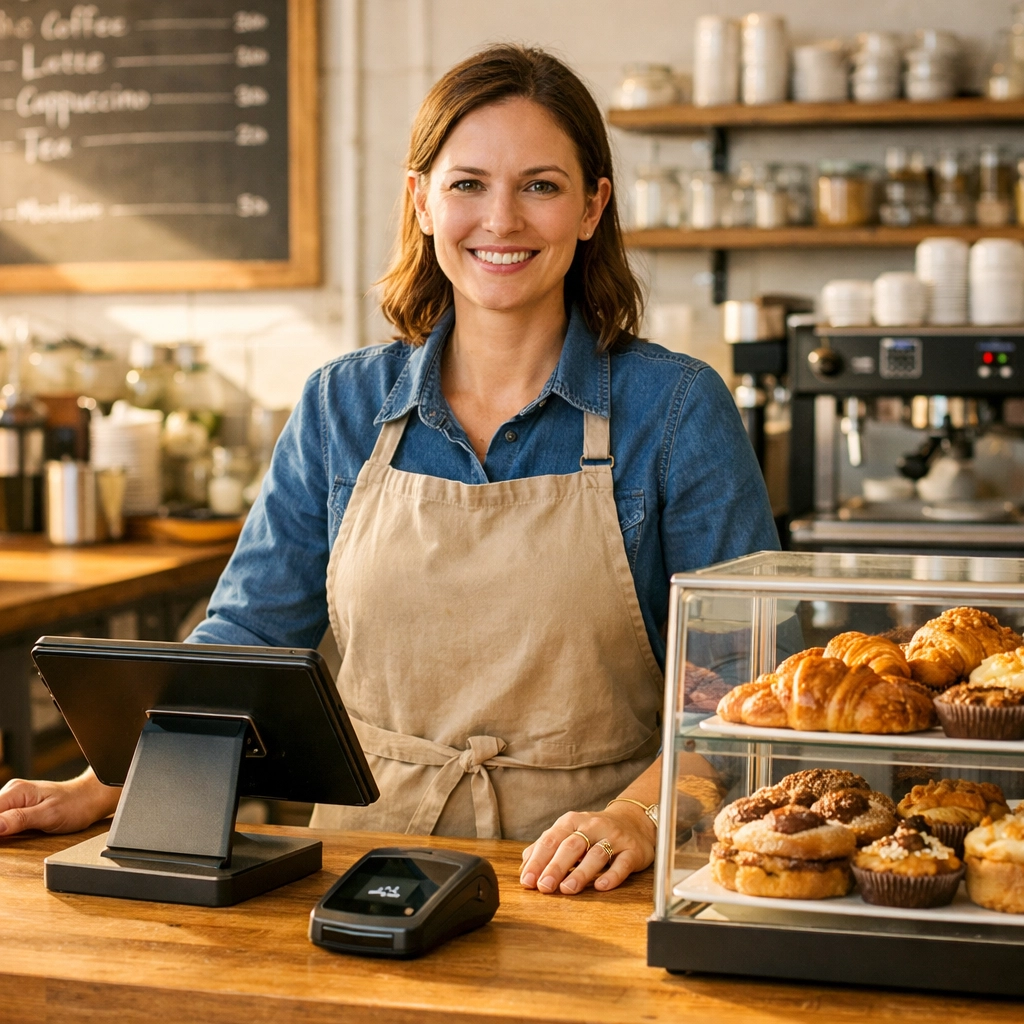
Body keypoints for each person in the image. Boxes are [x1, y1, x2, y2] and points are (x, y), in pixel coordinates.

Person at [0, 45, 777, 897]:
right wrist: (106, 785)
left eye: (542, 186)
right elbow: (249, 643)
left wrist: (642, 818)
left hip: (590, 879)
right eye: (468, 183)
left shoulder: (675, 410)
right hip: (366, 867)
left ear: (593, 207)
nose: (502, 220)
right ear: (422, 200)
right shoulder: (342, 404)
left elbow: (745, 696)